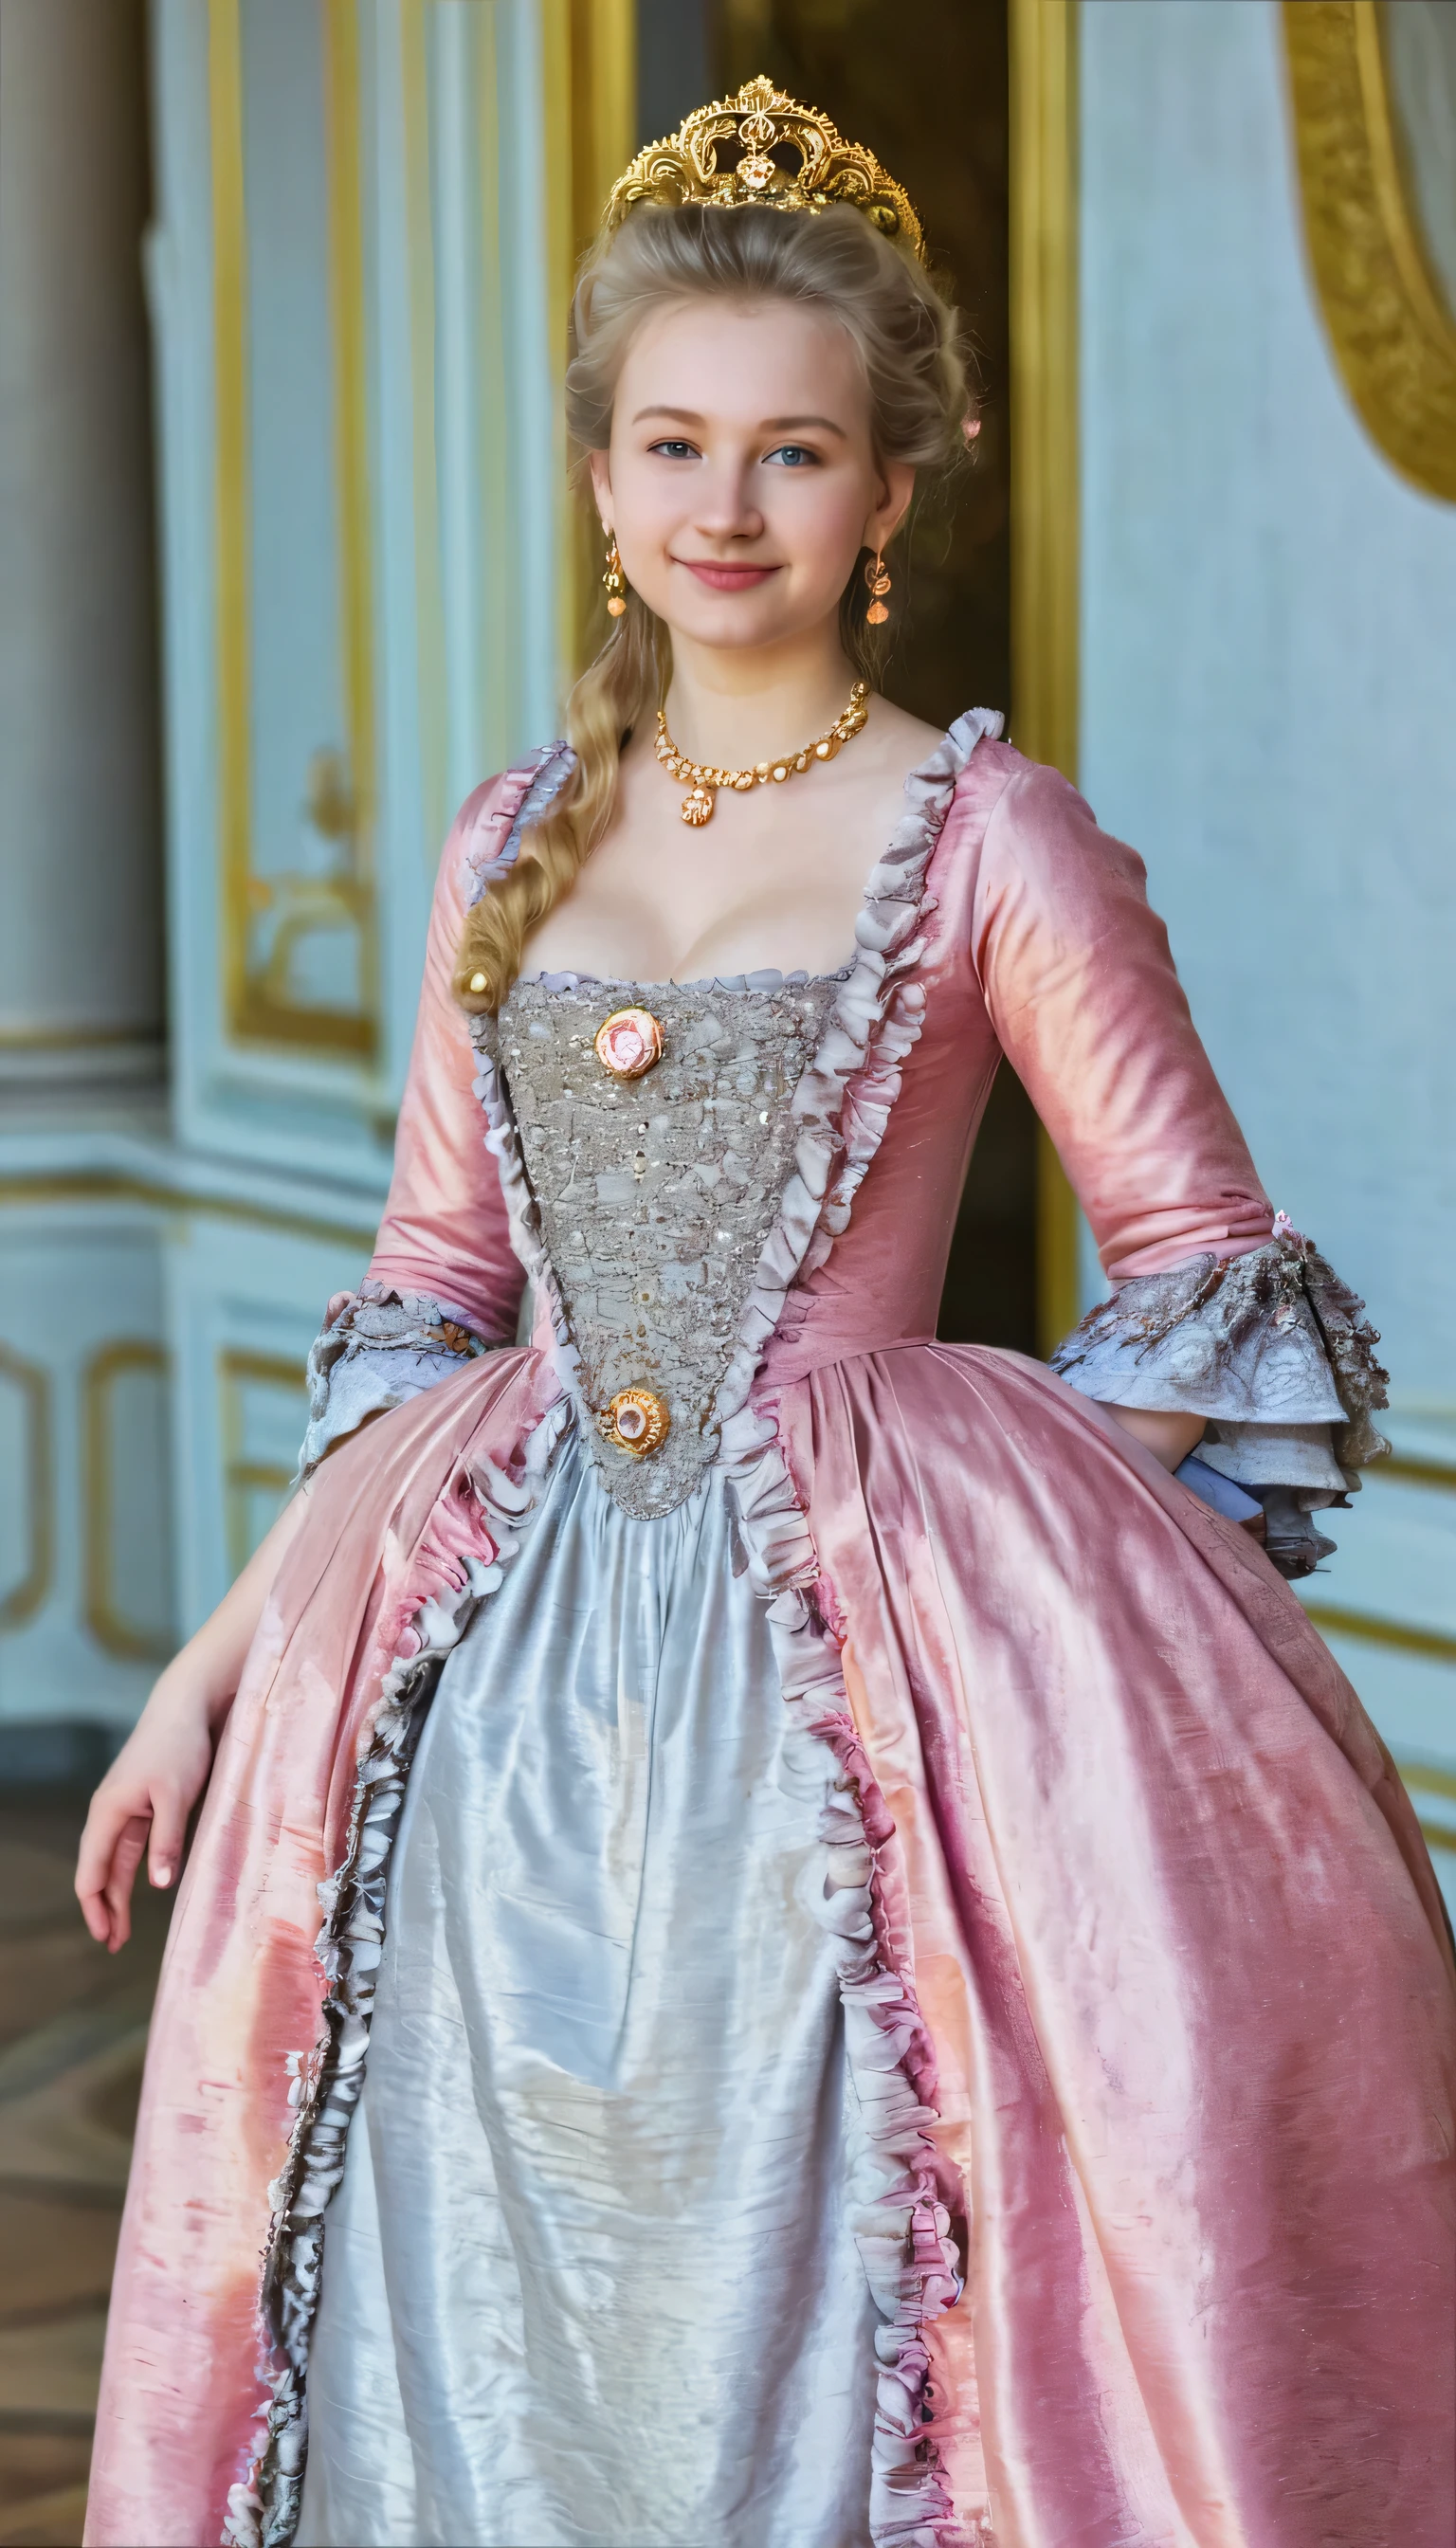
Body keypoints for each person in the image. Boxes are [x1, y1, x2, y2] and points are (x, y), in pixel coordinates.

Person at [80, 81, 1455, 2548]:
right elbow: (424, 1294)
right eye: (676, 446)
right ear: (602, 480)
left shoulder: (989, 835)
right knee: (506, 2250)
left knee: (832, 2231)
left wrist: (1008, 1603)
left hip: (859, 1659)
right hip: (489, 1675)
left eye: (794, 453)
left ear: (892, 491)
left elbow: (1198, 1265)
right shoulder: (511, 842)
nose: (728, 509)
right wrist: (202, 1682)